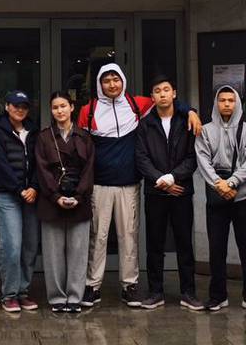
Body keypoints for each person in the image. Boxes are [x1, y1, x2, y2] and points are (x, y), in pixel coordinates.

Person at [77, 63, 201, 308]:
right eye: (106, 80)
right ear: (100, 84)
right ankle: (93, 286)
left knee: (129, 237)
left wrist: (191, 111)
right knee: (98, 237)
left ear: (123, 81)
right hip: (99, 184)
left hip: (129, 183)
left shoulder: (138, 104)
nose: (112, 84)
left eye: (116, 79)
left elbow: (167, 100)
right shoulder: (88, 110)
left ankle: (130, 286)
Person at [133, 75, 199, 310]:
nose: (162, 94)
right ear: (152, 97)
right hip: (155, 193)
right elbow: (141, 157)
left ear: (174, 93)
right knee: (155, 244)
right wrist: (160, 179)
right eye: (157, 91)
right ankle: (155, 292)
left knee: (184, 244)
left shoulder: (186, 121)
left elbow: (193, 156)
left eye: (166, 89)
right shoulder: (145, 124)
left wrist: (172, 177)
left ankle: (188, 293)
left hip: (181, 191)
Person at [195, 85, 246, 313]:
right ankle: (217, 296)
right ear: (216, 103)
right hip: (216, 197)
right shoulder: (205, 131)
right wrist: (219, 184)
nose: (226, 104)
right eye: (222, 100)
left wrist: (230, 183)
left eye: (231, 100)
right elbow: (203, 161)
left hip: (243, 198)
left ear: (237, 103)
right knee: (216, 249)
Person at [35, 91, 96, 313]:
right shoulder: (44, 137)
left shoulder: (84, 136)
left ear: (72, 107)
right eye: (55, 107)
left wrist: (79, 196)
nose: (59, 111)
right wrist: (55, 196)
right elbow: (42, 170)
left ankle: (75, 297)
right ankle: (57, 297)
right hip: (51, 200)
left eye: (63, 106)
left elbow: (90, 169)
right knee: (53, 254)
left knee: (78, 252)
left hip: (80, 199)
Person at [0, 90, 41, 312]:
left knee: (30, 246)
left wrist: (34, 187)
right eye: (16, 105)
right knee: (12, 246)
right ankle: (9, 294)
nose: (20, 110)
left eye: (24, 106)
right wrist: (20, 189)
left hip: (31, 196)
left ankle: (23, 292)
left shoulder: (33, 131)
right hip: (7, 195)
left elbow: (39, 162)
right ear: (7, 107)